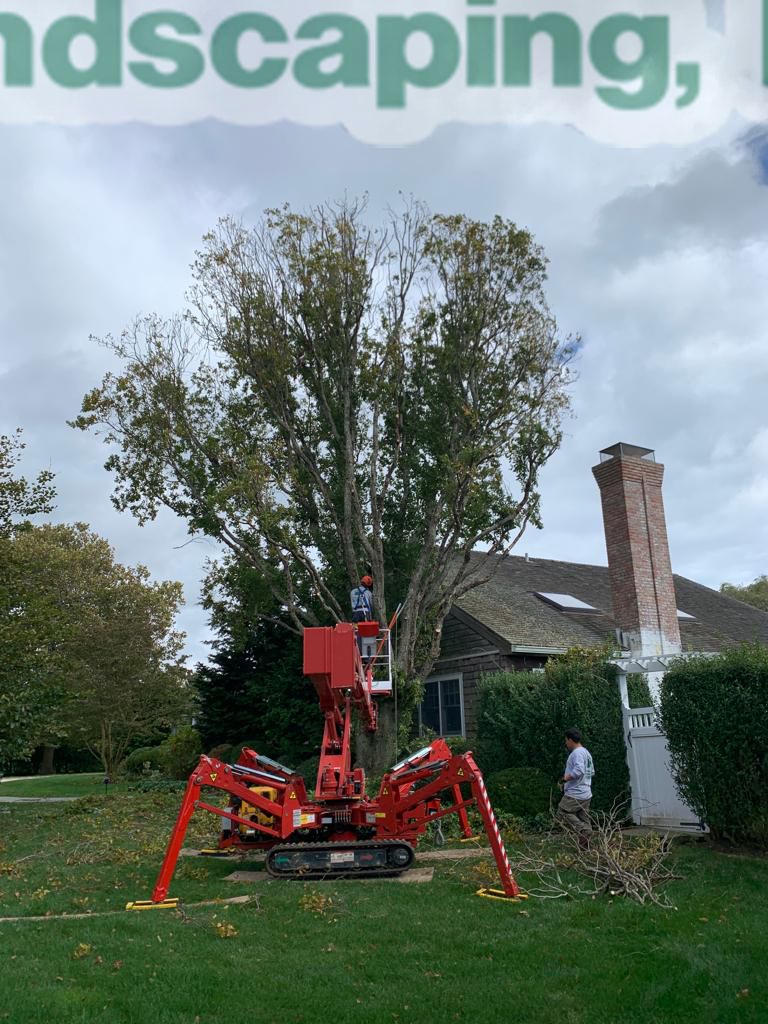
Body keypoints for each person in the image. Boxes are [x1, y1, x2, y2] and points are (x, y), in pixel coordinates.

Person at [558, 728, 594, 844]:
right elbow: (591, 772)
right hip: (586, 792)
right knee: (583, 817)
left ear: (570, 739)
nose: (565, 743)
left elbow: (579, 770)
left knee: (562, 812)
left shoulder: (577, 753)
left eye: (566, 740)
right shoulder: (586, 753)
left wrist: (565, 779)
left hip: (575, 793)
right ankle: (585, 847)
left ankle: (584, 830)